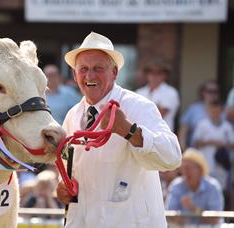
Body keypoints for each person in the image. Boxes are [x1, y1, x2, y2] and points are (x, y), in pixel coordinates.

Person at [56, 32, 182, 227]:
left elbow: (172, 157)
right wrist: (63, 188)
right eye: (83, 69)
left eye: (98, 68)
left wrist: (129, 131)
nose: (89, 76)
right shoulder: (72, 116)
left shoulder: (138, 106)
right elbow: (67, 172)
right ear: (74, 75)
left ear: (114, 73)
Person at [165, 148, 224, 225]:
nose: (185, 172)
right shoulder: (176, 186)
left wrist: (193, 209)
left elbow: (215, 219)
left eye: (188, 168)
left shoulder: (213, 187)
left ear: (200, 169)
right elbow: (169, 215)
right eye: (183, 168)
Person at [135, 60, 180, 131]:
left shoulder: (171, 92)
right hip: (141, 135)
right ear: (147, 74)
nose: (154, 76)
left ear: (165, 75)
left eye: (159, 73)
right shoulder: (139, 92)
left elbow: (159, 115)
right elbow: (133, 113)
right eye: (151, 72)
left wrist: (140, 112)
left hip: (162, 136)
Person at [178, 80, 221, 150]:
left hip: (220, 157)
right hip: (196, 154)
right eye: (209, 91)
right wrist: (184, 151)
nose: (213, 94)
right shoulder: (193, 109)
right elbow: (183, 132)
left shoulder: (223, 110)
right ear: (203, 92)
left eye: (215, 91)